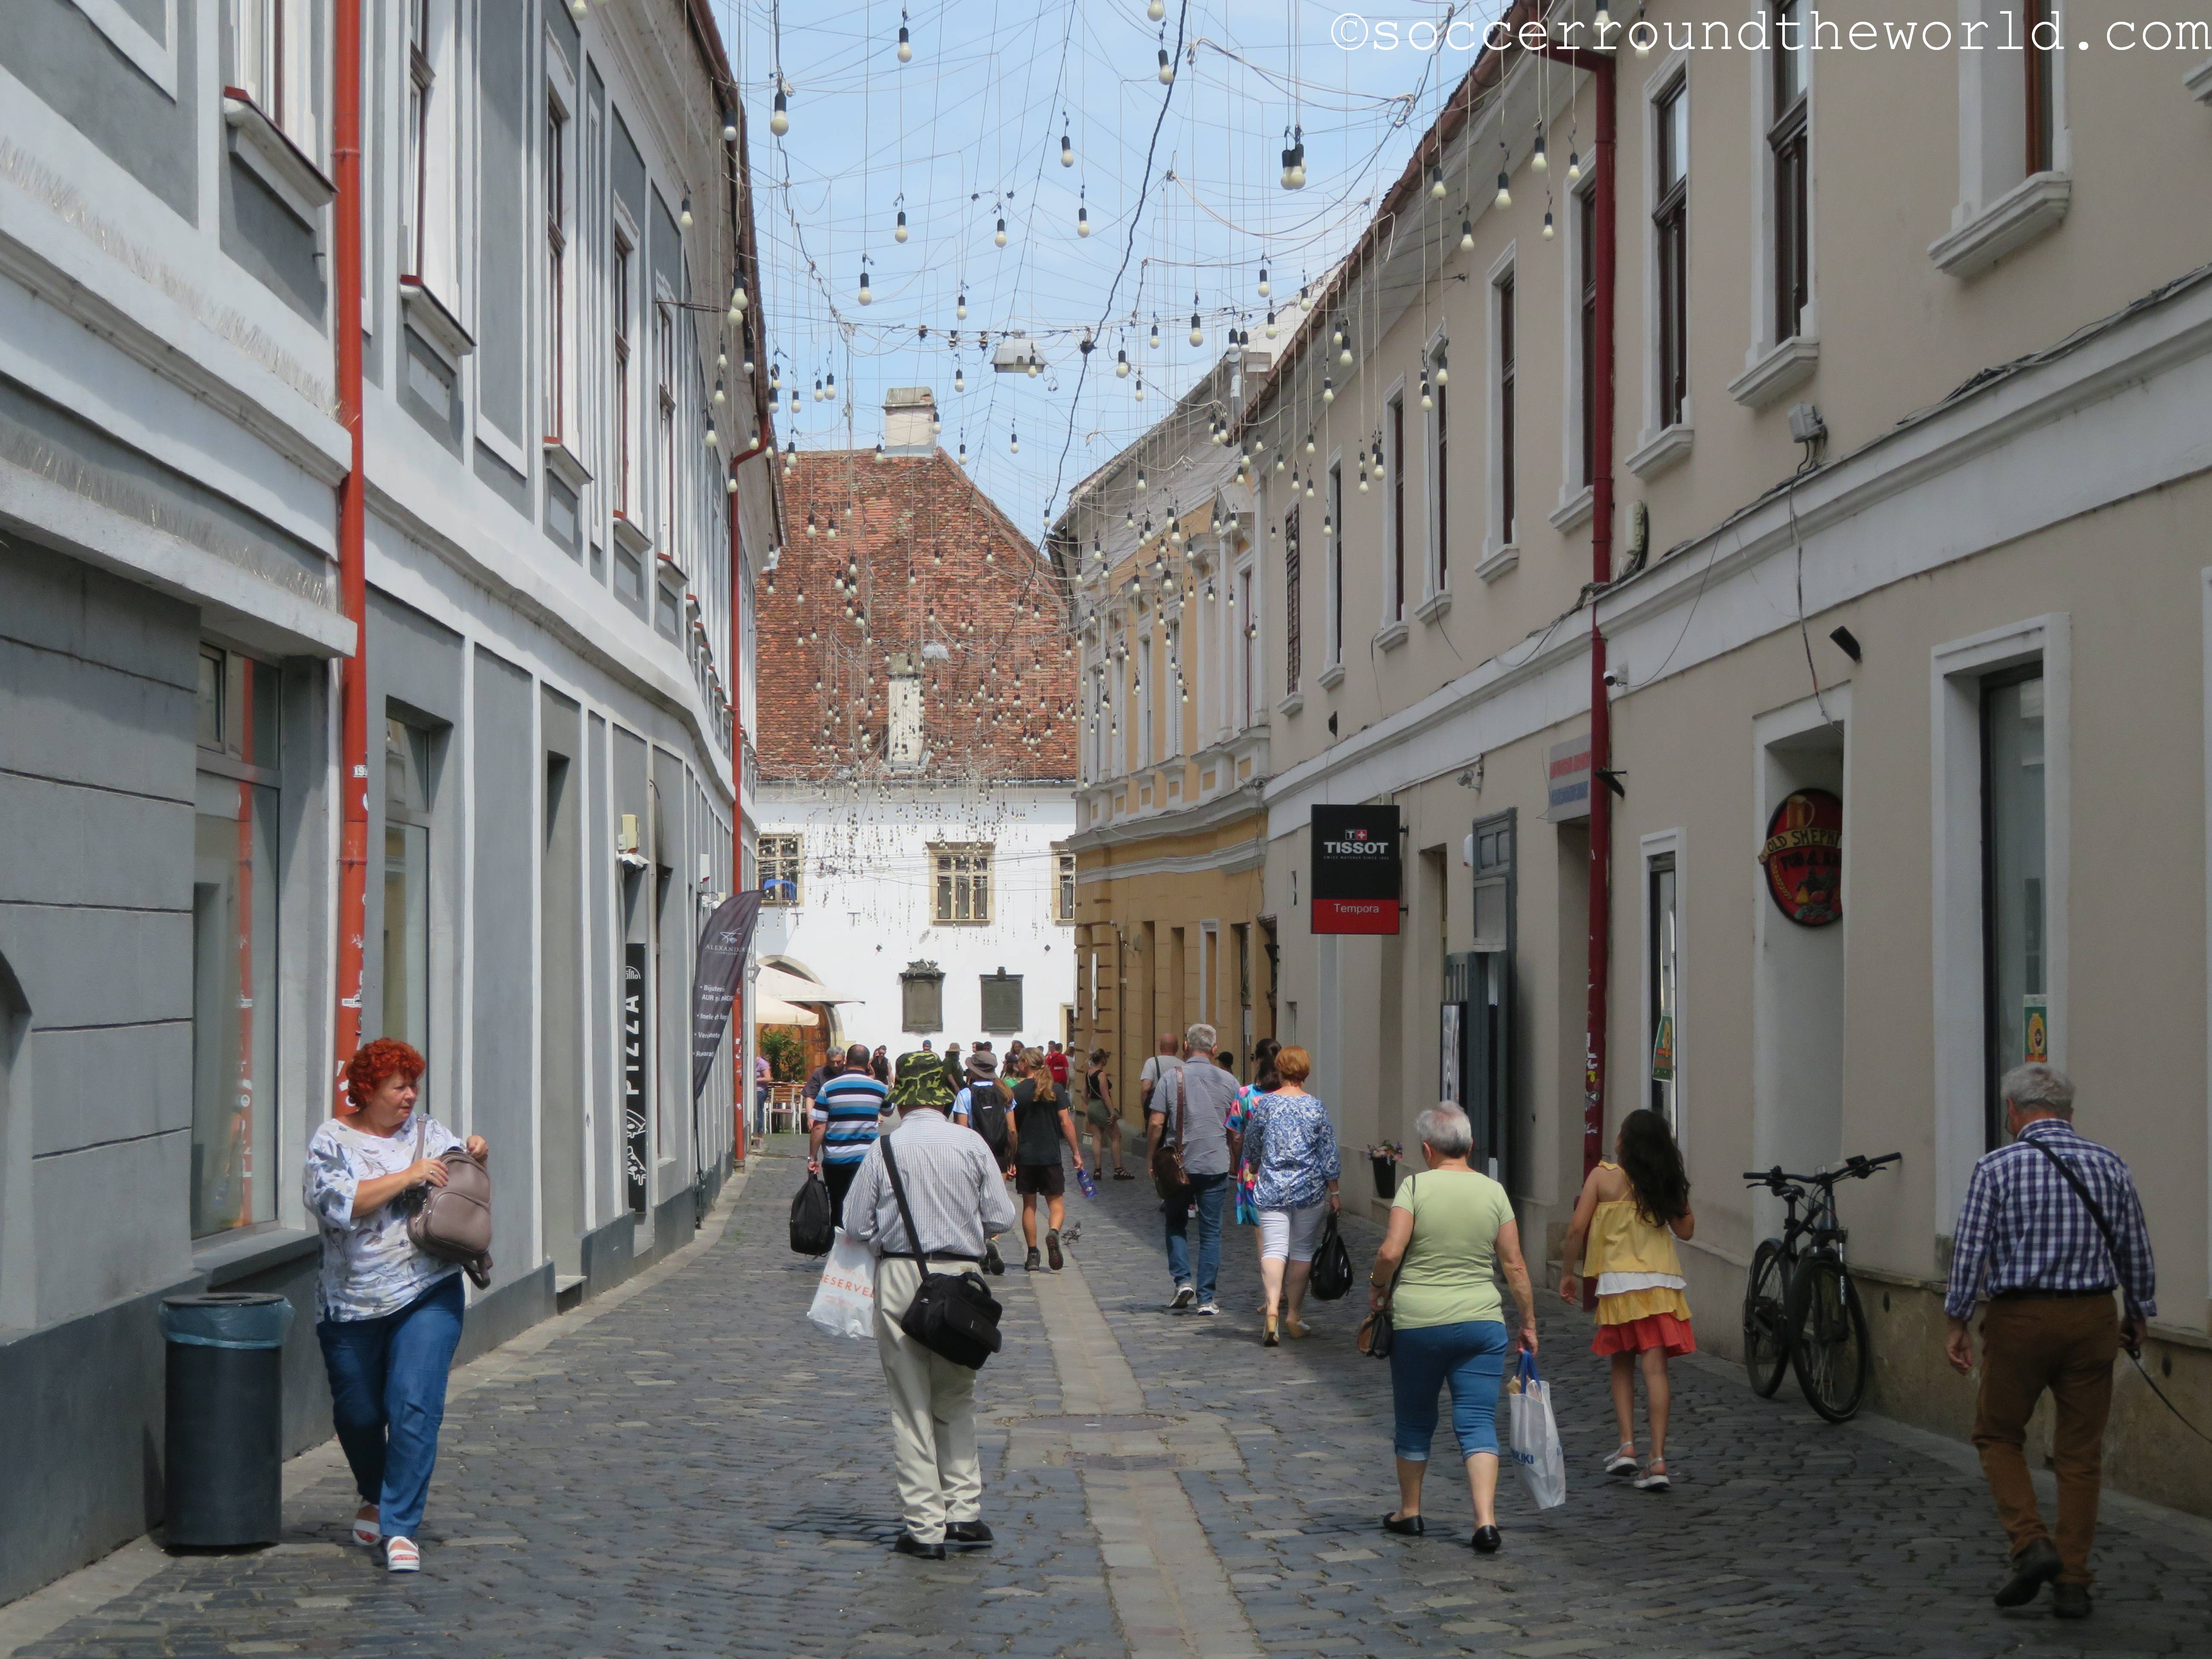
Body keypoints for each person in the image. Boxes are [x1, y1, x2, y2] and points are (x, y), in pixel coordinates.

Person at [1943, 1063, 2156, 1619]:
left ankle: (2031, 1542)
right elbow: (2135, 1248)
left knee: (1997, 1433)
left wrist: (1957, 1319)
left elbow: (1970, 1250)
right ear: (2069, 1113)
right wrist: (2138, 1312)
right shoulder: (2110, 1164)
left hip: (2021, 1319)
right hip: (2092, 1318)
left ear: (2012, 1111)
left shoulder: (1996, 1167)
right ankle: (2074, 1582)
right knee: (2080, 1454)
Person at [303, 1039, 490, 1574]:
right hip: (351, 1301)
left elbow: (461, 1178)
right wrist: (407, 1176)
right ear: (368, 1091)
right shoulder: (332, 1140)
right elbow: (337, 1205)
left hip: (428, 1290)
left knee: (413, 1405)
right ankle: (375, 1491)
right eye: (398, 1087)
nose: (410, 1096)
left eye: (413, 1086)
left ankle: (401, 1526)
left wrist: (475, 1154)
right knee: (359, 1415)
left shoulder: (429, 1133)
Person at [840, 1060, 1017, 1558]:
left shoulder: (886, 1148)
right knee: (957, 1395)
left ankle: (925, 1528)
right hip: (961, 1281)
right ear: (943, 1096)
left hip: (901, 1276)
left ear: (903, 1096)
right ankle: (964, 1513)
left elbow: (854, 1222)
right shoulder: (971, 1144)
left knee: (911, 1403)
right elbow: (1002, 1215)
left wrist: (887, 1231)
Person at [1368, 1104, 1537, 1553]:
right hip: (1481, 1323)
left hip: (1419, 1324)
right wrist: (1529, 1322)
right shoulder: (1494, 1192)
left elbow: (1390, 1252)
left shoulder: (1414, 1187)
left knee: (1414, 1418)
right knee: (1478, 1420)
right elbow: (1515, 1265)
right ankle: (1485, 1521)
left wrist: (1378, 1286)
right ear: (1470, 1145)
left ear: (1427, 1150)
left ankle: (1410, 1512)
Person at [1558, 1110, 1696, 1492]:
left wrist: (1568, 1273)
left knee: (1621, 1365)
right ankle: (1658, 1460)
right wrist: (1674, 1194)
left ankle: (1627, 1446)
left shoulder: (1602, 1178)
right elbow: (1686, 1230)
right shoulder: (1663, 1181)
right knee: (1656, 1372)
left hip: (1619, 1285)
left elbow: (1576, 1228)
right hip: (1660, 1284)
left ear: (1624, 1142)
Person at [1243, 1045, 1340, 1346]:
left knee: (1273, 1249)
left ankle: (1273, 1308)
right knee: (1301, 1251)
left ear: (1280, 1069)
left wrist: (1254, 1165)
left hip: (1273, 1186)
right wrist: (1335, 1191)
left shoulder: (1267, 1104)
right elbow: (1328, 1153)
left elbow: (1252, 1141)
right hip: (1308, 1189)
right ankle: (1294, 1316)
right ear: (1305, 1071)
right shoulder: (1316, 1107)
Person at [1149, 1022, 1240, 1316]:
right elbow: (1236, 1131)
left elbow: (1156, 1123)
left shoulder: (1170, 1078)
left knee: (1176, 1222)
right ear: (1215, 1050)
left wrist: (1152, 1158)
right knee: (1211, 1232)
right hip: (1215, 1164)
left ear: (1186, 1046)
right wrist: (1236, 1160)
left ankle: (1183, 1281)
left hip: (1180, 1165)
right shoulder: (1231, 1082)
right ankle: (1207, 1299)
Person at [1012, 1049, 1087, 1270]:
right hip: (1050, 1155)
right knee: (1056, 1205)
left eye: (1019, 1062)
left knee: (1029, 1206)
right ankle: (1053, 1232)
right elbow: (1066, 1122)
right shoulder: (1056, 1089)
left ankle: (1033, 1255)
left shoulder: (1017, 1092)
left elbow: (1012, 1129)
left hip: (1026, 1156)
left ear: (1026, 1064)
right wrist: (1076, 1152)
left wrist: (1011, 1157)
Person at [810, 1043, 889, 1227]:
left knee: (838, 1205)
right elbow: (888, 1111)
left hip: (836, 1159)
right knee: (866, 1207)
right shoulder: (879, 1088)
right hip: (867, 1160)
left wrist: (812, 1157)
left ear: (846, 1061)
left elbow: (819, 1127)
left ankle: (838, 1241)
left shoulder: (829, 1087)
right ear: (868, 1063)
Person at [1226, 1040, 1281, 1290]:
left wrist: (1237, 1162)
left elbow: (1236, 1135)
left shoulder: (1245, 1095)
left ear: (1257, 1061)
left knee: (1262, 1235)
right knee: (1285, 1233)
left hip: (1253, 1171)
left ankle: (1272, 1293)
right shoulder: (1288, 1094)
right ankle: (1285, 1288)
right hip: (1284, 1168)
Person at [1083, 1048, 1132, 1179]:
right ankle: (1118, 1170)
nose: (1107, 1061)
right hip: (1102, 1107)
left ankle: (1097, 1170)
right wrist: (1113, 1112)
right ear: (1103, 1059)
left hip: (1092, 1107)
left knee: (1097, 1137)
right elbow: (1106, 1096)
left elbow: (1083, 1095)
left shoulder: (1088, 1073)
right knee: (1116, 1136)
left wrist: (1091, 1105)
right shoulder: (1101, 1075)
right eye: (1106, 1058)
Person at [1139, 1030, 1182, 1117]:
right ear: (1177, 1049)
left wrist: (1146, 1111)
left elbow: (1146, 1088)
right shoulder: (1183, 1066)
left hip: (1157, 1113)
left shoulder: (1152, 1063)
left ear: (1161, 1048)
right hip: (1176, 1114)